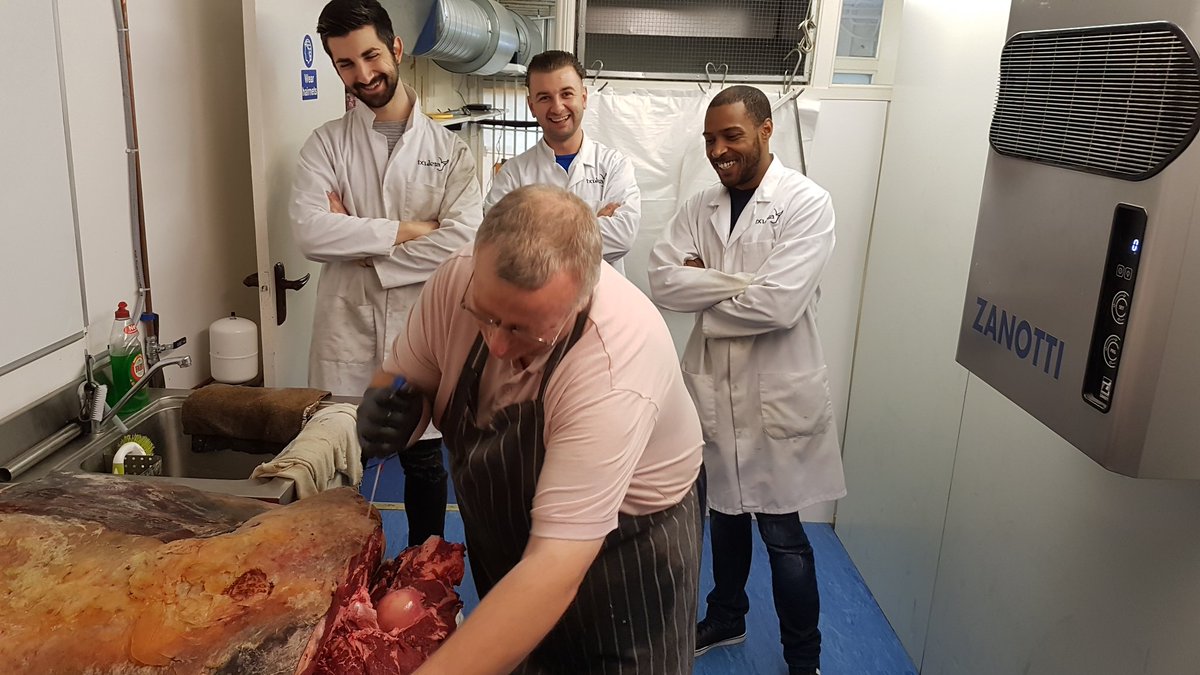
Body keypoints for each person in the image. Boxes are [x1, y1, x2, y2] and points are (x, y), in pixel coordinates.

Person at [357, 184, 703, 674]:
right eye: (487, 317)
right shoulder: (456, 282)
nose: (496, 345)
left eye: (523, 331)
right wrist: (390, 411)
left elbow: (552, 569)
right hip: (513, 531)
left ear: (581, 298)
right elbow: (407, 377)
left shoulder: (612, 364)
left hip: (629, 552)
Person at [647, 85, 847, 675]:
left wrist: (707, 287)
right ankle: (727, 614)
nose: (718, 150)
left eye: (731, 135)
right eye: (710, 139)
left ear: (765, 131)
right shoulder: (699, 205)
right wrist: (743, 284)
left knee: (785, 539)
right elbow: (662, 281)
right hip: (712, 389)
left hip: (776, 395)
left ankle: (802, 658)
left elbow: (781, 306)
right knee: (723, 515)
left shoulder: (808, 203)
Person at [290, 0, 482, 545]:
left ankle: (423, 576)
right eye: (346, 64)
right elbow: (310, 233)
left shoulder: (450, 152)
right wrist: (409, 230)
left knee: (424, 463)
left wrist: (358, 238)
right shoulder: (325, 144)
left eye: (371, 56)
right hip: (345, 336)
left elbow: (462, 242)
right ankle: (342, 589)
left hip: (418, 336)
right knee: (338, 464)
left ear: (396, 48)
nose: (363, 74)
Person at [483, 50, 641, 274]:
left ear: (583, 98)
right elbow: (499, 245)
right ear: (531, 106)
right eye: (545, 97)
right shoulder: (513, 174)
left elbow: (622, 237)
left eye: (566, 94)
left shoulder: (615, 165)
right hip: (534, 304)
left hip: (599, 301)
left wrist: (533, 232)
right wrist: (591, 224)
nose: (557, 107)